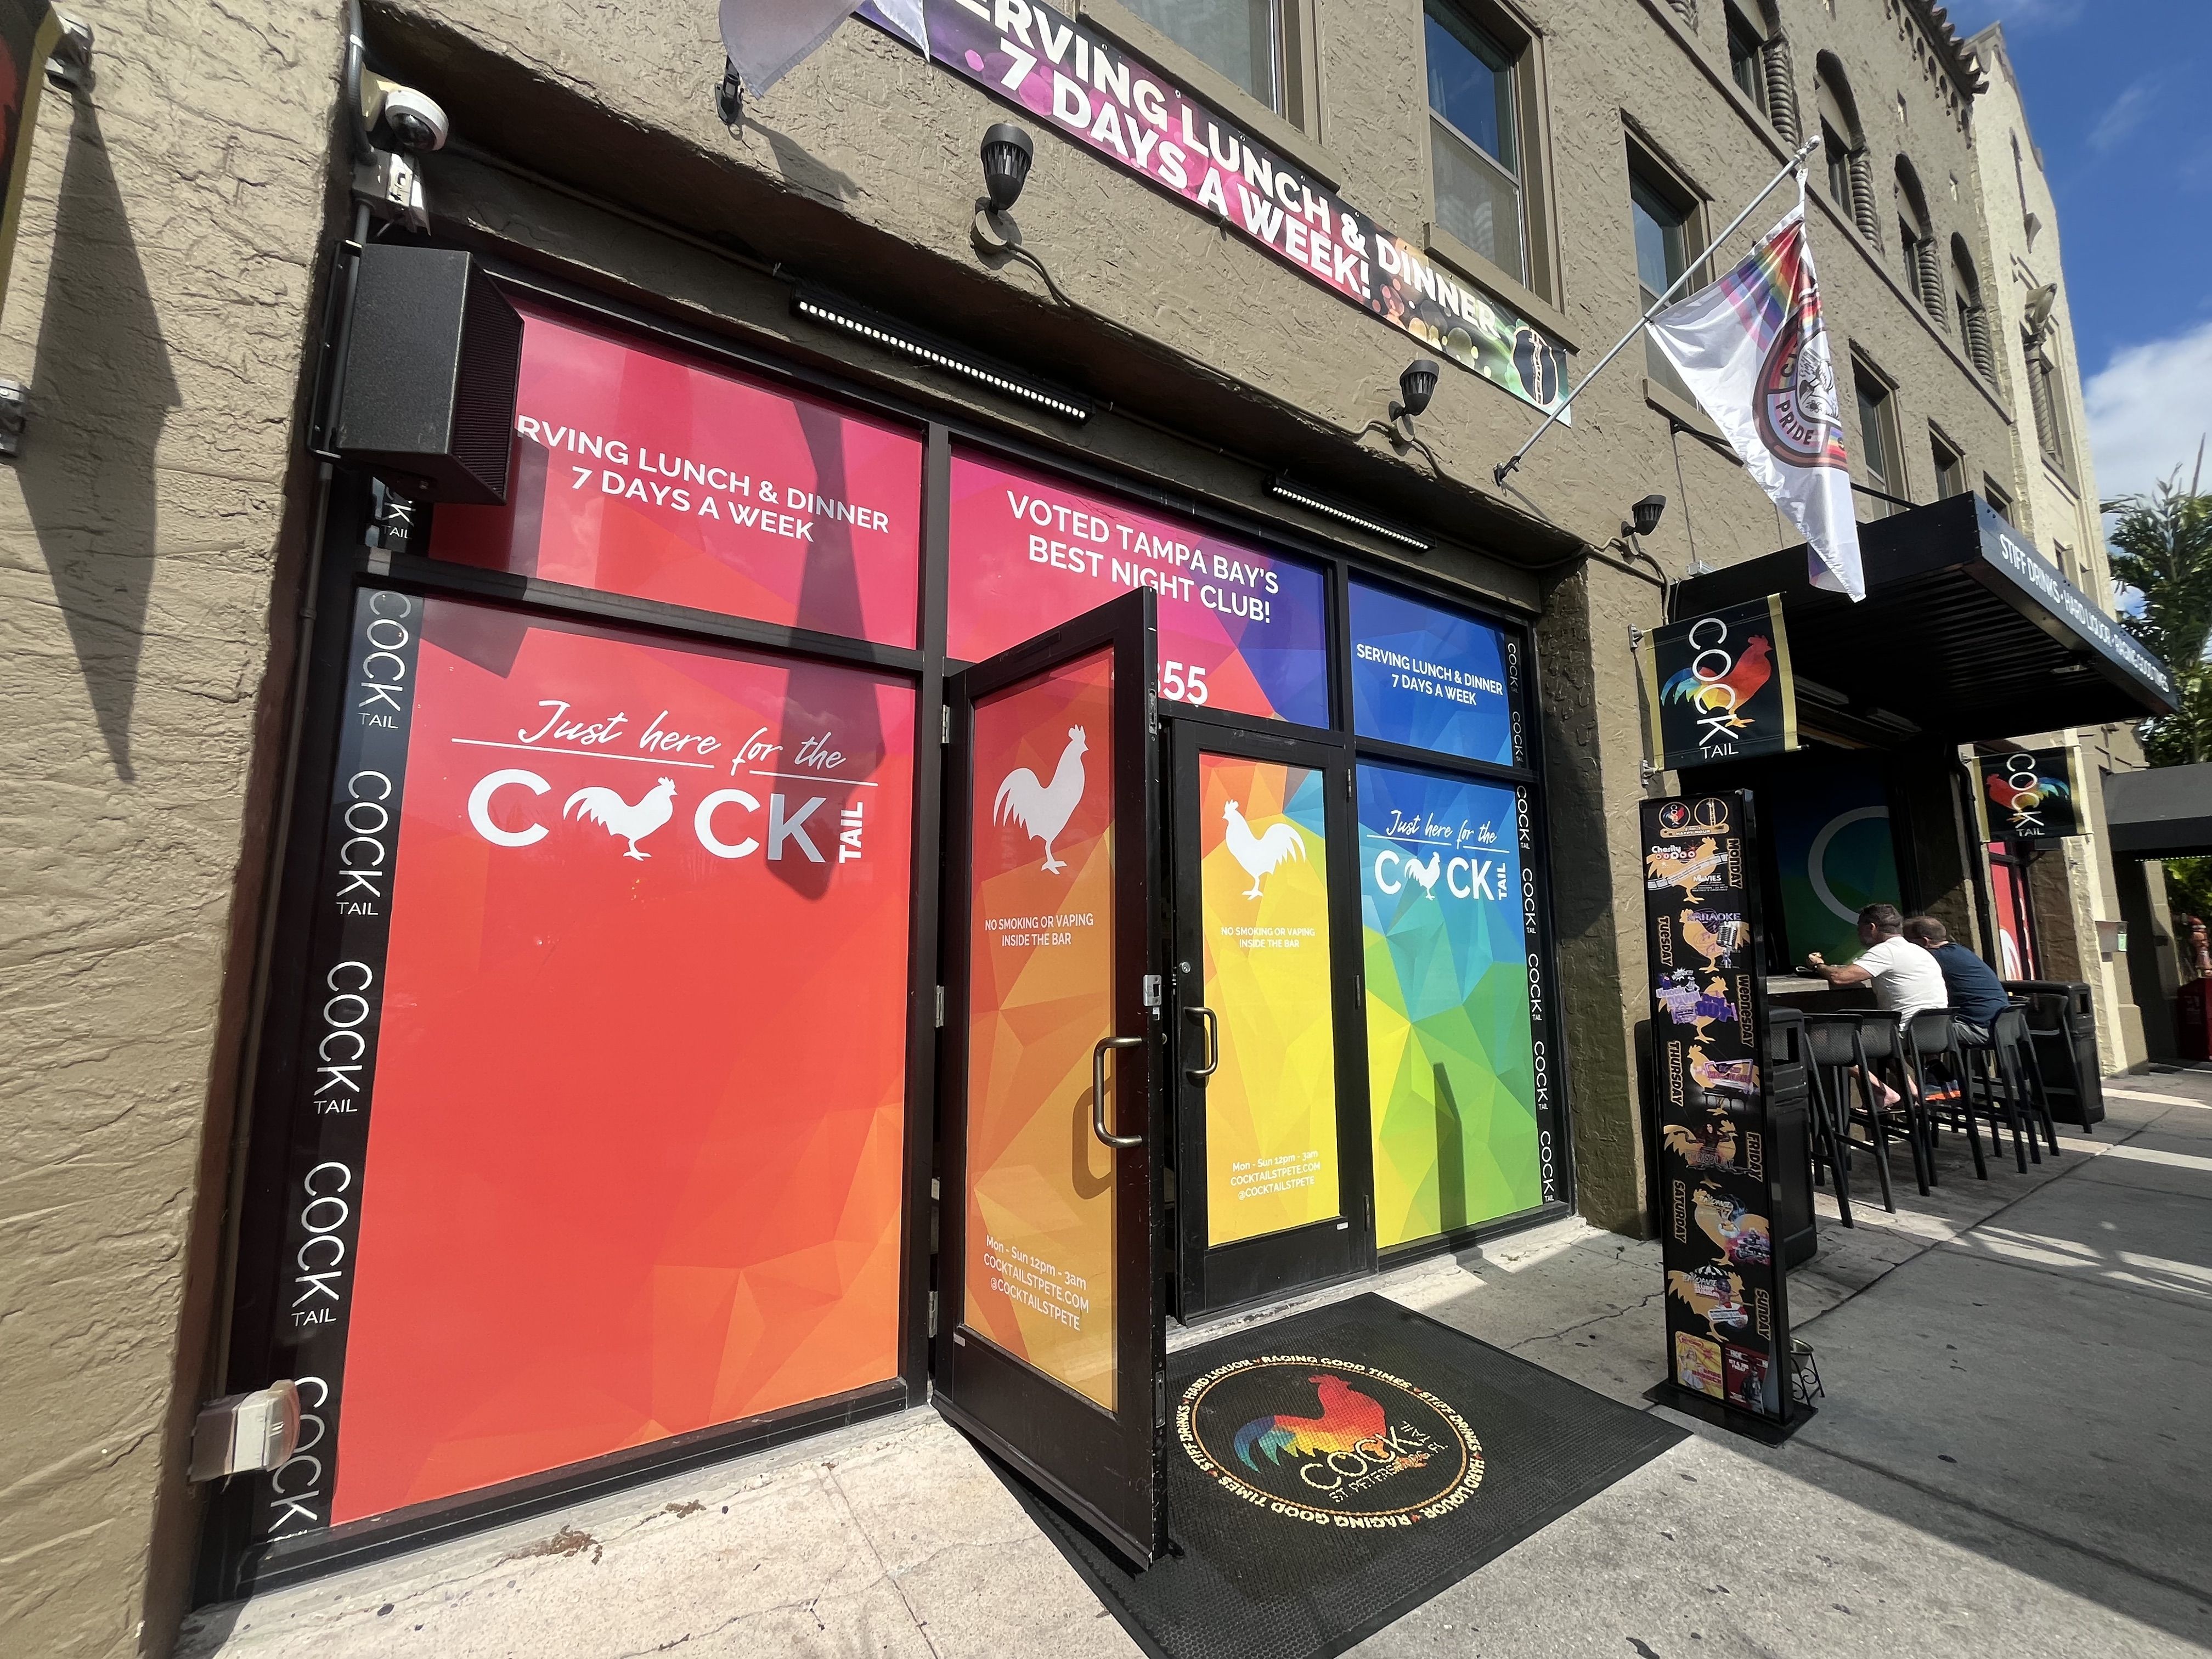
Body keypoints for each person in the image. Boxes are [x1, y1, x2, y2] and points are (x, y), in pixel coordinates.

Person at [1805, 902, 1949, 1023]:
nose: (1858, 933)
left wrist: (1818, 965)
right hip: (1935, 1032)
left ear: (1871, 928)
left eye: (1859, 928)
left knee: (1828, 1032)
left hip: (1901, 1032)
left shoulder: (1886, 951)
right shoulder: (1921, 952)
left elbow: (1840, 978)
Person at [1901, 914, 2007, 1047]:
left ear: (1924, 942)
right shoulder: (1960, 951)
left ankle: (1928, 1067)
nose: (1904, 945)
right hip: (2001, 1026)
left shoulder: (1931, 958)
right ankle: (1931, 1067)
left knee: (1909, 1032)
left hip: (1979, 1029)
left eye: (1907, 941)